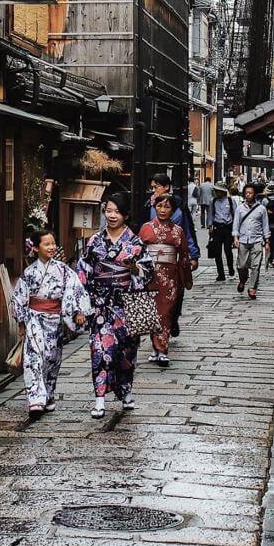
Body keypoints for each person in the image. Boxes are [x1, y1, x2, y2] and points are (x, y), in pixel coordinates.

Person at [77, 193, 154, 418]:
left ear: (125, 215)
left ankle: (126, 390)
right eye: (108, 211)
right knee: (100, 349)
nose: (112, 215)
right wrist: (82, 303)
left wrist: (134, 268)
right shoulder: (94, 241)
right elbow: (83, 271)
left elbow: (148, 273)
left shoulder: (135, 242)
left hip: (127, 302)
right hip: (101, 303)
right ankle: (99, 397)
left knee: (126, 352)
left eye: (117, 212)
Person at [11, 230, 90, 417]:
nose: (52, 247)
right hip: (34, 318)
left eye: (53, 243)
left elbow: (76, 289)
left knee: (51, 358)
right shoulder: (29, 273)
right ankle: (35, 399)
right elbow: (20, 298)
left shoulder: (63, 270)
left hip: (54, 319)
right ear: (36, 248)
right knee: (34, 357)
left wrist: (78, 311)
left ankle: (49, 393)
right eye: (47, 244)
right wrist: (21, 321)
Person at [139, 194, 193, 367]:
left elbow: (183, 256)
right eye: (160, 206)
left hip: (170, 278)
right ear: (155, 207)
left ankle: (162, 349)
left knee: (166, 312)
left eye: (167, 207)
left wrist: (184, 276)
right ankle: (156, 348)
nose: (163, 210)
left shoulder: (178, 231)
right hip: (149, 276)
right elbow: (138, 253)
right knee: (152, 312)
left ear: (173, 210)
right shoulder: (146, 229)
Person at [142, 173, 201, 266]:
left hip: (174, 256)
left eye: (156, 187)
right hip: (152, 258)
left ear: (166, 187)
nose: (154, 191)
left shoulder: (179, 205)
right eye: (152, 188)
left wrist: (194, 255)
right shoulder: (149, 205)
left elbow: (187, 231)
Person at [232, 183, 270, 300]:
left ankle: (252, 288)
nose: (248, 195)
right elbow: (236, 224)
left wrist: (267, 241)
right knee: (241, 265)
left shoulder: (261, 209)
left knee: (256, 266)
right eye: (246, 193)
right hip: (243, 240)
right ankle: (243, 280)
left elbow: (265, 225)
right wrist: (235, 238)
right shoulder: (240, 209)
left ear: (254, 194)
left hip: (257, 240)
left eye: (250, 193)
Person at [207, 182, 235, 281]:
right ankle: (221, 273)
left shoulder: (230, 201)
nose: (216, 192)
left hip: (228, 228)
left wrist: (235, 231)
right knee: (217, 252)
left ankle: (231, 268)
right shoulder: (213, 201)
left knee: (228, 250)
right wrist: (210, 226)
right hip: (217, 228)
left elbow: (234, 215)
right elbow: (210, 214)